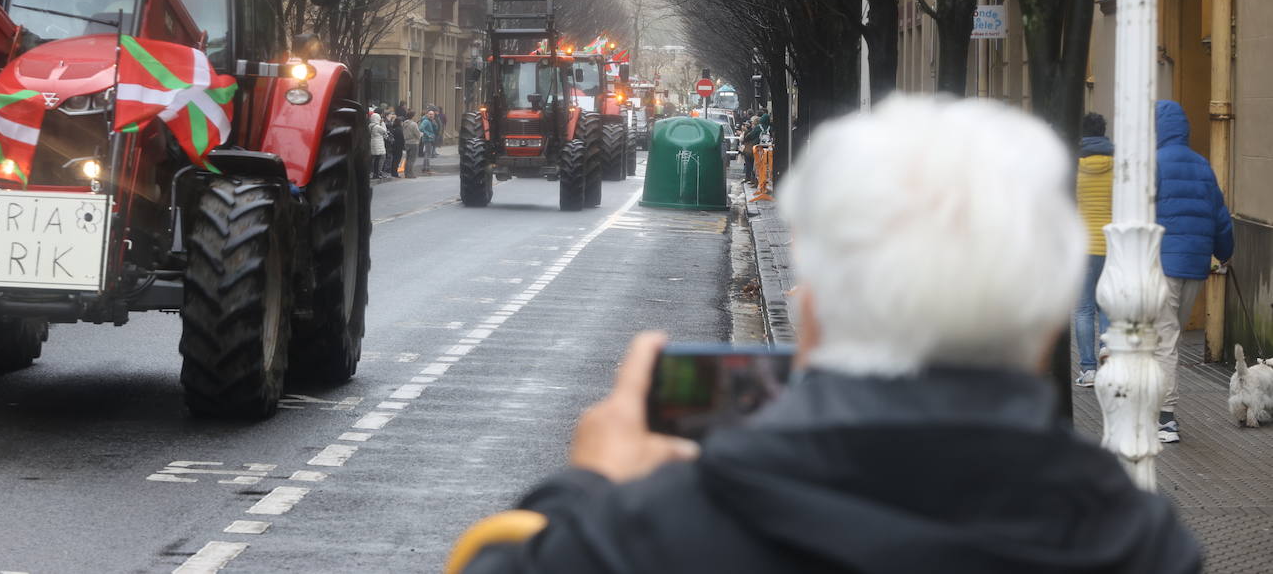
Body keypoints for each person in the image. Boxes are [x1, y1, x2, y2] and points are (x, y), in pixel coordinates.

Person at [459, 96, 1199, 574]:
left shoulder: (658, 535)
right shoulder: (1142, 543)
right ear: (1044, 333)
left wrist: (589, 489)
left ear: (809, 316)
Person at [1154, 99, 1234, 444]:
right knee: (1169, 335)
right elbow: (1221, 217)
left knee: (1163, 340)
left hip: (1161, 264)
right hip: (1194, 267)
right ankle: (1158, 407)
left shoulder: (1152, 164)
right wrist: (1224, 253)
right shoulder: (1202, 165)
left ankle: (1165, 418)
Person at [1074, 111, 1113, 388]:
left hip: (1082, 247)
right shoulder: (1118, 166)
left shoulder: (1073, 166)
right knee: (1106, 305)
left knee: (1083, 309)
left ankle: (1088, 371)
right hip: (1111, 245)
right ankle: (1107, 353)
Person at [368, 112, 389, 180]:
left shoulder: (370, 126)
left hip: (373, 143)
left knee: (374, 159)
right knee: (378, 159)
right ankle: (376, 174)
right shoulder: (377, 127)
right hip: (378, 144)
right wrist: (382, 123)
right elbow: (384, 130)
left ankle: (374, 173)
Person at [419, 109, 439, 175]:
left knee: (427, 154)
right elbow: (421, 128)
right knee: (428, 154)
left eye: (432, 114)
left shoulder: (431, 121)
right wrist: (428, 134)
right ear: (427, 115)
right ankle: (427, 168)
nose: (431, 115)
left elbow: (435, 130)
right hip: (427, 139)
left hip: (430, 139)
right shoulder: (426, 121)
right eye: (430, 114)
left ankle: (425, 168)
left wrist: (434, 124)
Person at [385, 113, 405, 178]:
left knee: (394, 159)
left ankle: (393, 171)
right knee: (397, 160)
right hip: (399, 147)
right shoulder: (399, 129)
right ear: (400, 122)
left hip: (394, 146)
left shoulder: (393, 128)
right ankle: (394, 172)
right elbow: (402, 138)